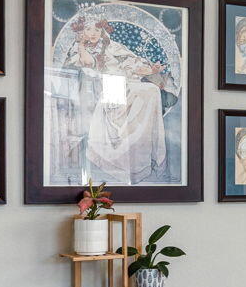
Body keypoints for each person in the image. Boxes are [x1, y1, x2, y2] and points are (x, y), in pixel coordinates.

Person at [62, 11, 175, 185]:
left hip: (126, 83)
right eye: (89, 30)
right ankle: (120, 149)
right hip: (109, 87)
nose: (93, 33)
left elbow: (132, 64)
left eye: (97, 30)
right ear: (82, 32)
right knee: (141, 90)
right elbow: (87, 63)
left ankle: (142, 145)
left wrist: (150, 70)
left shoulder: (112, 46)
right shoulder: (79, 51)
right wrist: (82, 45)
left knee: (152, 90)